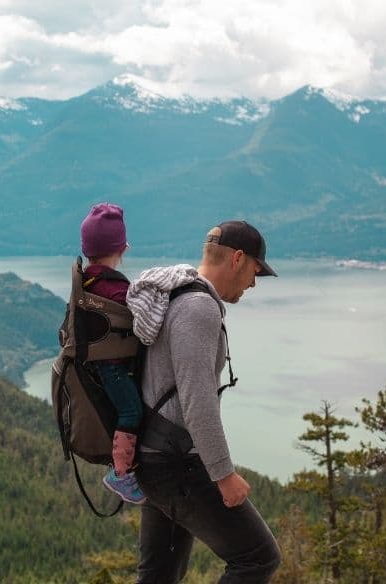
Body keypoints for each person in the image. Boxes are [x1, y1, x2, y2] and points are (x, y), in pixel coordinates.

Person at [126, 220, 282, 583]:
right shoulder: (199, 307)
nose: (253, 284)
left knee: (158, 576)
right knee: (257, 557)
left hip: (154, 457)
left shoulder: (174, 295)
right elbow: (198, 402)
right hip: (179, 464)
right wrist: (224, 475)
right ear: (238, 259)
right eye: (255, 272)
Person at [79, 202, 146, 504]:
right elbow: (141, 322)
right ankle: (120, 474)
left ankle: (122, 468)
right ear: (123, 247)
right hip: (114, 367)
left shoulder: (87, 282)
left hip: (97, 365)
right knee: (131, 411)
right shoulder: (116, 290)